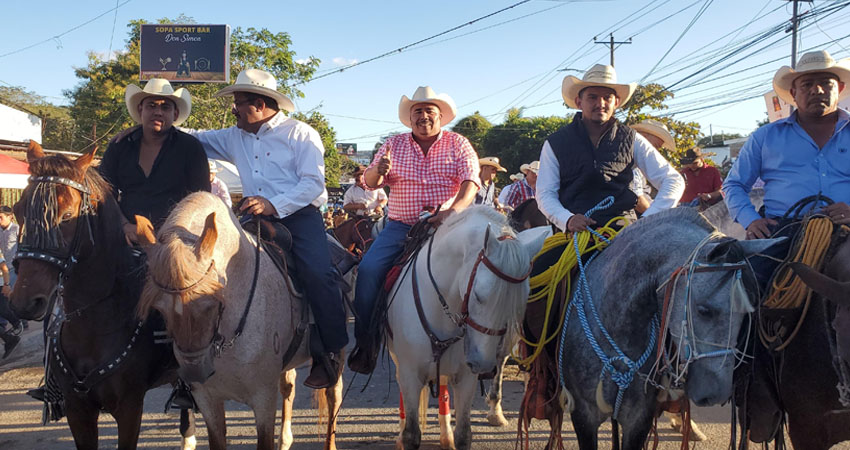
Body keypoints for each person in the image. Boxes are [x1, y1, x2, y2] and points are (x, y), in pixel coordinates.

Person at [182, 68, 348, 389]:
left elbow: (313, 185)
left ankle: (329, 352)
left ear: (258, 104)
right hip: (253, 216)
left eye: (239, 103)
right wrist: (153, 128)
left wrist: (274, 204)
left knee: (317, 273)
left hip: (299, 216)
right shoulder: (234, 136)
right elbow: (196, 138)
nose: (234, 110)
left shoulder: (301, 134)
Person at [348, 86, 480, 374]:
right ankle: (366, 342)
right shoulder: (393, 144)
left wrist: (453, 211)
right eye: (417, 111)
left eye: (429, 111)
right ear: (409, 118)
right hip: (402, 226)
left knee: (485, 270)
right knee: (369, 270)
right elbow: (370, 182)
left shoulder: (458, 143)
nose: (423, 116)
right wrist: (379, 170)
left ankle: (485, 345)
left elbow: (471, 181)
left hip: (451, 224)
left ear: (441, 116)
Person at [724, 49, 850, 287]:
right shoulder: (765, 136)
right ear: (794, 93)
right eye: (807, 84)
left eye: (826, 83)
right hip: (784, 231)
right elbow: (734, 184)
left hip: (847, 229)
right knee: (742, 294)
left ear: (840, 89)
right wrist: (751, 220)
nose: (817, 90)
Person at [537, 64, 684, 233]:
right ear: (579, 102)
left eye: (607, 98)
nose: (600, 103)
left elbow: (673, 180)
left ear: (616, 102)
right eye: (592, 97)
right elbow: (545, 194)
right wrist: (567, 219)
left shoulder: (632, 138)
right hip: (575, 233)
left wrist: (648, 219)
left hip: (624, 233)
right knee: (545, 260)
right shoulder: (556, 142)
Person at [100, 78, 211, 244]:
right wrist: (123, 225)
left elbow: (201, 198)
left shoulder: (190, 147)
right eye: (151, 105)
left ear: (175, 114)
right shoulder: (119, 146)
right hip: (123, 241)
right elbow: (104, 193)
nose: (158, 112)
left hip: (176, 242)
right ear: (140, 110)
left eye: (165, 107)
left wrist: (174, 231)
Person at [630, 119, 677, 214]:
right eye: (655, 146)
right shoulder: (632, 163)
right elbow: (637, 199)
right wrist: (657, 217)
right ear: (643, 138)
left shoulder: (638, 163)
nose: (655, 151)